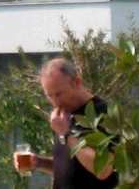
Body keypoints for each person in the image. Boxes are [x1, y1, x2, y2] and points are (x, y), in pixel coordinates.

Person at [35, 57, 118, 187]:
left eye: (59, 94)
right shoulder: (64, 117)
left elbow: (103, 170)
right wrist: (39, 163)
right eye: (49, 96)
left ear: (77, 82)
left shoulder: (104, 113)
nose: (55, 102)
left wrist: (67, 135)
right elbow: (72, 169)